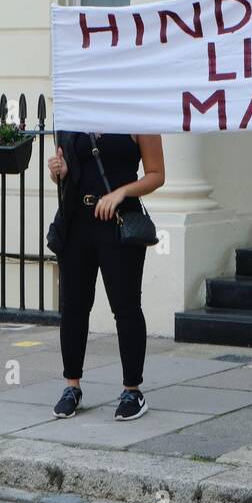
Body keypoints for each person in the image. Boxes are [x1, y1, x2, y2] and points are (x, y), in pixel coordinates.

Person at [47, 130, 165, 420]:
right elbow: (69, 173)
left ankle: (132, 390)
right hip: (76, 221)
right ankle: (71, 386)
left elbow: (156, 174)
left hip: (119, 220)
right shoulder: (75, 113)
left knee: (125, 307)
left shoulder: (137, 115)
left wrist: (121, 192)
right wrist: (58, 172)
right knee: (74, 306)